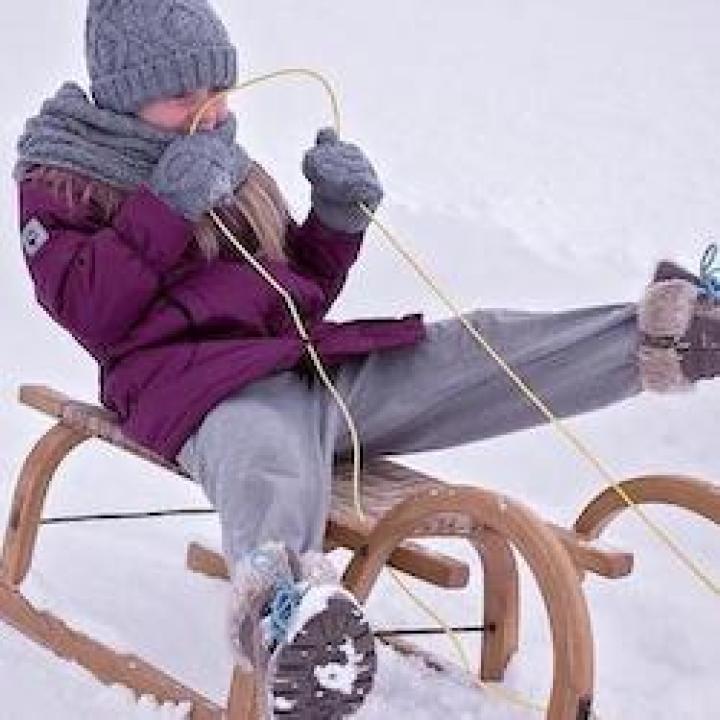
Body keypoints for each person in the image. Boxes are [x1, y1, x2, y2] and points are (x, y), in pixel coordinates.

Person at [12, 0, 720, 716]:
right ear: (122, 99)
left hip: (306, 363)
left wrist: (334, 221)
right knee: (266, 460)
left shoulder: (224, 160)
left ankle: (662, 336)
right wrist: (164, 208)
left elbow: (296, 296)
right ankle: (289, 620)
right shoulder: (63, 181)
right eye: (182, 95)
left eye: (218, 89)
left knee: (468, 347)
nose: (209, 110)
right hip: (202, 396)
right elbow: (86, 309)